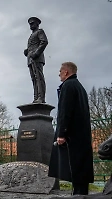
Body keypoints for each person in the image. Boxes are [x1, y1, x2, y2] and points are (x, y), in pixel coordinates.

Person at [48, 62, 94, 195]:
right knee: (81, 171)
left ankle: (78, 196)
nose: (59, 74)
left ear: (66, 72)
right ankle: (81, 194)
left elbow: (64, 112)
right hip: (81, 135)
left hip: (72, 136)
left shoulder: (67, 86)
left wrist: (61, 134)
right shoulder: (80, 87)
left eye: (60, 71)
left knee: (74, 169)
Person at [24, 16, 48, 103]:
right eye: (30, 24)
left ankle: (41, 98)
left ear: (37, 24)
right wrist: (27, 51)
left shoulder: (40, 32)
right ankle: (36, 97)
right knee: (34, 78)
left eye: (32, 23)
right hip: (30, 59)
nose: (30, 25)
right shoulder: (31, 35)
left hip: (37, 58)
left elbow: (44, 42)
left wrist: (36, 53)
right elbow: (33, 45)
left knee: (39, 78)